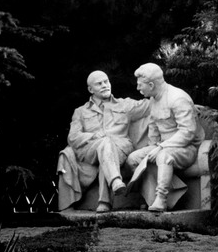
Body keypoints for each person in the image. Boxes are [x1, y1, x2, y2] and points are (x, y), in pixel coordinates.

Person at [65, 70, 150, 212]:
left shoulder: (125, 105)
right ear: (90, 89)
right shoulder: (80, 111)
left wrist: (186, 106)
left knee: (106, 150)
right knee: (105, 145)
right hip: (91, 149)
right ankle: (114, 183)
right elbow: (73, 137)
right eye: (99, 83)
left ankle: (105, 201)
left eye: (106, 81)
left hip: (121, 147)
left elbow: (154, 103)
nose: (105, 85)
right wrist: (92, 136)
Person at [126, 63, 205, 212]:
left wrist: (162, 147)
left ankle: (161, 200)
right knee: (133, 159)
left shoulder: (178, 98)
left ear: (151, 84)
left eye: (140, 85)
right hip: (164, 146)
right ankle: (153, 197)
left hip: (186, 149)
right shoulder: (153, 99)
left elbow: (187, 132)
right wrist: (153, 148)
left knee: (163, 156)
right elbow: (154, 128)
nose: (138, 88)